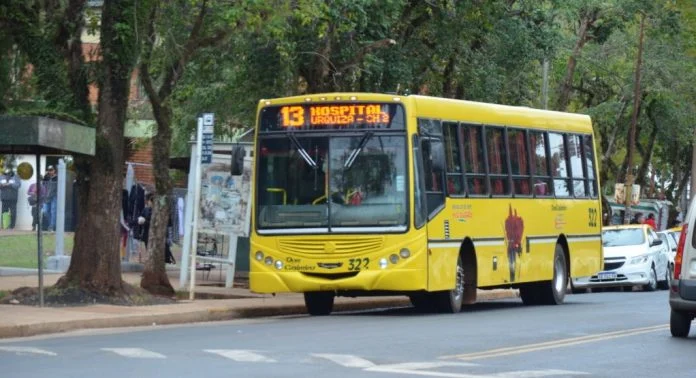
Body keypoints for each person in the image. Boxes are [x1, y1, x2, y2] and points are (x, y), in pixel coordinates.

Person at [42, 165, 58, 231]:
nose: (50, 171)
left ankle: (52, 226)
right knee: (45, 211)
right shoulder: (46, 177)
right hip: (47, 196)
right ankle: (51, 224)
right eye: (49, 170)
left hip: (54, 196)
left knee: (53, 211)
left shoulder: (57, 177)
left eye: (51, 170)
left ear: (54, 170)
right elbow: (43, 185)